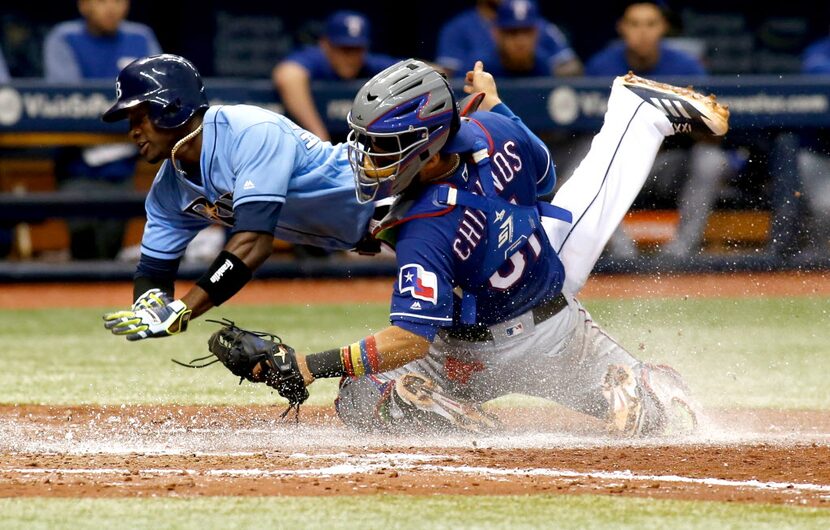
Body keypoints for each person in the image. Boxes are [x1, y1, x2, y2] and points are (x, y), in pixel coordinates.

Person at [203, 59, 728, 437]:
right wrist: (499, 108)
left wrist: (308, 363)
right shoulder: (492, 129)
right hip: (530, 304)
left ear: (429, 144)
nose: (368, 158)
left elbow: (409, 339)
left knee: (657, 423)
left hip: (532, 345)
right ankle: (638, 118)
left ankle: (640, 386)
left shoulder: (425, 227)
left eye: (385, 146)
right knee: (363, 399)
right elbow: (542, 174)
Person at [101, 54, 377, 341]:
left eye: (139, 117)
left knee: (416, 331)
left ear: (171, 106)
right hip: (365, 233)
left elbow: (255, 243)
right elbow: (153, 270)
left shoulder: (249, 132)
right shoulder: (167, 191)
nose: (132, 131)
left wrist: (184, 309)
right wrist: (151, 305)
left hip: (387, 197)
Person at [582, 0, 737, 259]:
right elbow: (584, 129)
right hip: (621, 166)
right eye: (635, 24)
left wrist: (674, 117)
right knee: (588, 163)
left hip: (670, 163)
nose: (642, 32)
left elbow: (713, 133)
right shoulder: (600, 67)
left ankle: (679, 254)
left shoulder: (687, 67)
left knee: (711, 161)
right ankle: (623, 257)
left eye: (651, 24)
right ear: (622, 28)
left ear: (663, 27)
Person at [43, 0, 161, 260]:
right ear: (84, 5)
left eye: (118, 1)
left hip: (124, 161)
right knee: (84, 246)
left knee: (110, 248)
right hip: (77, 164)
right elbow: (70, 102)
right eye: (101, 1)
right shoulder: (65, 37)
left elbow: (157, 90)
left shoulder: (140, 36)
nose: (111, 8)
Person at [272, 10, 401, 143]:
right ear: (325, 44)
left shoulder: (369, 63)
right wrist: (319, 136)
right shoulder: (316, 59)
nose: (351, 58)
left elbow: (418, 68)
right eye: (344, 49)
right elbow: (287, 75)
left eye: (357, 49)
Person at [435, 0, 582, 78]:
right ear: (496, 33)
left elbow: (574, 67)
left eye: (526, 32)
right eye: (512, 33)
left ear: (536, 32)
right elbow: (450, 77)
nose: (520, 40)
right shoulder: (481, 65)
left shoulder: (544, 64)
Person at [795, 33, 830, 256]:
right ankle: (819, 263)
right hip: (819, 151)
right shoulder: (819, 51)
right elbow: (816, 73)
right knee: (826, 208)